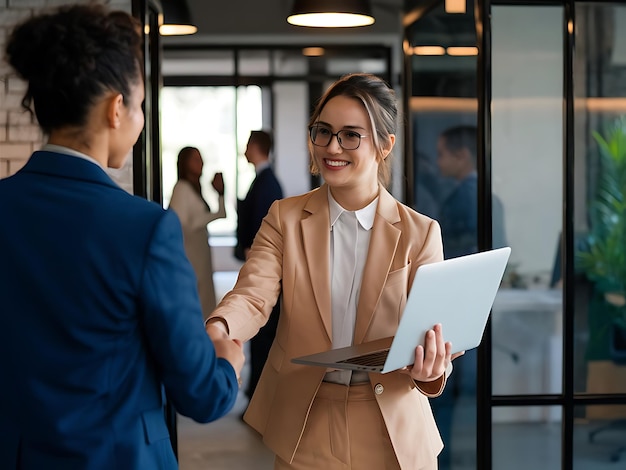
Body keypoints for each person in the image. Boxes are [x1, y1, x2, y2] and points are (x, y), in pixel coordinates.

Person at [0, 5, 244, 469]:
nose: (141, 120)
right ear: (117, 109)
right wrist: (228, 363)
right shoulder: (145, 228)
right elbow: (200, 394)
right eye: (141, 105)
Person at [207, 73, 464, 469]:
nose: (331, 146)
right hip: (305, 422)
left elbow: (433, 336)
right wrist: (221, 328)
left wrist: (431, 368)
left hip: (393, 428)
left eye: (350, 135)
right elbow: (253, 295)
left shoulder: (420, 233)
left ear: (384, 145)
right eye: (323, 132)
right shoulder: (285, 218)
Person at [433, 124, 507, 469]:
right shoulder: (492, 198)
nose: (437, 162)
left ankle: (439, 462)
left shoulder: (460, 199)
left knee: (443, 396)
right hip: (481, 312)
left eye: (442, 154)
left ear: (462, 155)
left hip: (455, 313)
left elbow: (446, 262)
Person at [235, 130, 284, 401]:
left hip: (265, 269)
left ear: (255, 147)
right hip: (260, 266)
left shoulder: (267, 183)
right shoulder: (264, 180)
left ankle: (261, 399)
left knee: (263, 332)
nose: (244, 150)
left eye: (246, 145)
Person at [168, 146, 226, 319]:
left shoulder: (195, 189)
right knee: (194, 301)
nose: (201, 163)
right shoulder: (181, 189)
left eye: (201, 158)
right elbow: (185, 223)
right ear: (184, 164)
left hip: (200, 252)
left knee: (205, 299)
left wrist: (221, 193)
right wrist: (208, 216)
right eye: (195, 159)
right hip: (190, 253)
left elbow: (221, 214)